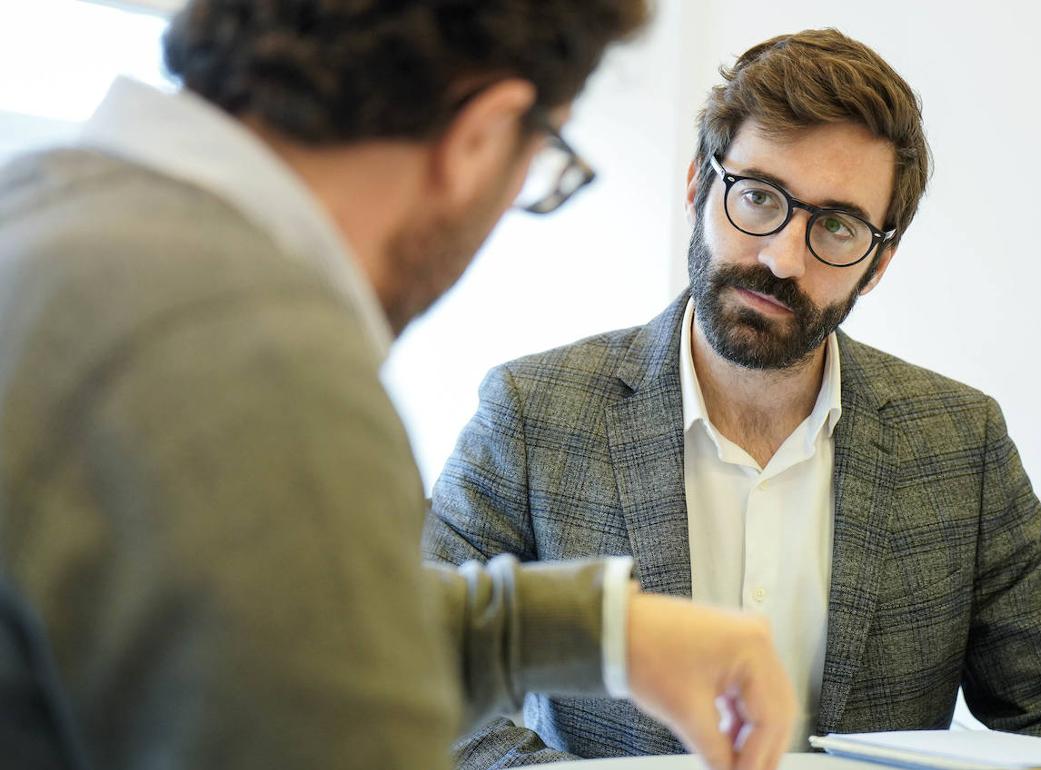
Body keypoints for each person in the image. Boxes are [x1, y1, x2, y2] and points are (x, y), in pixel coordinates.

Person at [0, 3, 801, 770]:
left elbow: (271, 639)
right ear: (482, 136)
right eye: (540, 156)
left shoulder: (46, 212)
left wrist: (605, 630)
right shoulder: (258, 359)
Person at [424, 27, 1041, 768]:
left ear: (878, 264)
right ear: (697, 188)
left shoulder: (963, 443)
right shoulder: (531, 413)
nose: (782, 258)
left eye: (837, 226)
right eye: (759, 197)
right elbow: (416, 681)